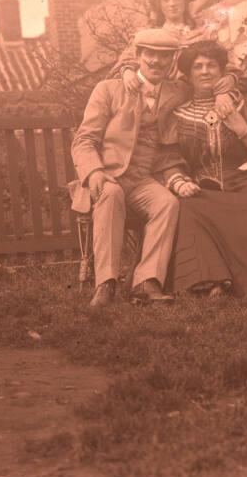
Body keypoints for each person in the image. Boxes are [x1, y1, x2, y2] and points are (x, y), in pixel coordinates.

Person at [71, 29, 190, 308]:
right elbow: (84, 139)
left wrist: (227, 86)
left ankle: (146, 280)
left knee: (167, 203)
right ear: (137, 56)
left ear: (172, 61)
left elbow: (210, 77)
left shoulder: (177, 92)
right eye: (150, 55)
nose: (157, 62)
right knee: (111, 195)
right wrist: (94, 171)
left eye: (164, 57)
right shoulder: (109, 89)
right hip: (108, 176)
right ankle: (106, 283)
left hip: (143, 179)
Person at [162, 41, 247, 297]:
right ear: (188, 74)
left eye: (211, 65)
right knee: (186, 208)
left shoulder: (240, 104)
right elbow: (170, 159)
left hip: (244, 180)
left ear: (221, 70)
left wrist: (242, 128)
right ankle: (211, 281)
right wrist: (180, 182)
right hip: (202, 185)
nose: (205, 71)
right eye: (198, 67)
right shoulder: (178, 115)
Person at [112, 0, 241, 119]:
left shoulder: (205, 33)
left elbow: (229, 68)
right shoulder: (150, 35)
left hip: (200, 104)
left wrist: (225, 86)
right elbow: (125, 62)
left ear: (185, 0)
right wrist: (127, 72)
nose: (172, 3)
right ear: (159, 4)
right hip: (164, 106)